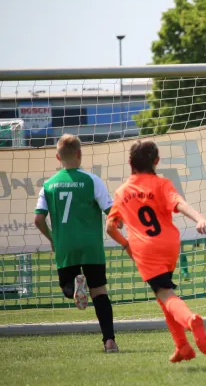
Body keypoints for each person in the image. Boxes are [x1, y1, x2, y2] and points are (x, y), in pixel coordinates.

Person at [105, 140, 206, 363]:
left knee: (165, 294)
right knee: (163, 295)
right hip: (170, 245)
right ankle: (182, 346)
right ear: (156, 161)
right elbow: (179, 203)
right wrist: (199, 218)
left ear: (129, 163)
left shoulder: (121, 192)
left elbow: (110, 227)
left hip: (145, 249)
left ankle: (191, 320)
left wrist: (126, 245)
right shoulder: (162, 184)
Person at [33, 134, 118, 353]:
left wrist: (53, 239)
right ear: (80, 154)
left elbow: (38, 219)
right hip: (91, 247)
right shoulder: (92, 180)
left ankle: (73, 287)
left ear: (57, 156)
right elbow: (112, 212)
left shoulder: (49, 185)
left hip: (65, 246)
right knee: (99, 292)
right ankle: (109, 341)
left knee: (66, 287)